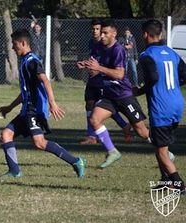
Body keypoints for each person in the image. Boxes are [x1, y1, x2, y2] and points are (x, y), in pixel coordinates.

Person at [0, 29, 85, 178]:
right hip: (26, 110)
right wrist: (10, 107)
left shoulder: (32, 61)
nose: (13, 47)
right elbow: (26, 91)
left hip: (34, 110)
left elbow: (45, 80)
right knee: (5, 135)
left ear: (23, 43)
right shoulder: (24, 61)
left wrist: (52, 103)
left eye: (15, 44)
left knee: (39, 142)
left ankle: (76, 161)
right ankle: (14, 171)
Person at [82, 20, 150, 168]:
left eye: (106, 33)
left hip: (123, 95)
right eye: (102, 33)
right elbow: (95, 65)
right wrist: (87, 65)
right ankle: (113, 152)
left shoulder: (118, 49)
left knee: (142, 132)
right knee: (94, 119)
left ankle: (164, 150)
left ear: (114, 34)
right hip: (108, 95)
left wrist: (99, 68)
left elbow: (119, 74)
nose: (102, 35)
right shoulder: (99, 46)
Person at [135, 19, 186, 191]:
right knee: (160, 146)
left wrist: (139, 91)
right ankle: (166, 181)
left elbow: (153, 78)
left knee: (162, 152)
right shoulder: (172, 53)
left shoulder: (146, 55)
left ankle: (179, 184)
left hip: (161, 107)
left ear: (145, 35)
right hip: (177, 103)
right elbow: (184, 75)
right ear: (161, 34)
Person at [77, 19, 131, 145]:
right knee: (89, 104)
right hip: (93, 79)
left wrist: (99, 71)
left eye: (98, 29)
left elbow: (107, 64)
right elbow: (95, 59)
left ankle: (124, 125)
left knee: (103, 106)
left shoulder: (109, 45)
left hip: (103, 80)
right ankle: (91, 136)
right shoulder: (92, 43)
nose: (96, 32)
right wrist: (85, 64)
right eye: (93, 29)